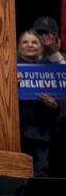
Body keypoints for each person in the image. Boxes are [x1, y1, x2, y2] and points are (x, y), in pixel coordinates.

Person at [17, 31, 62, 176]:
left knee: (41, 172)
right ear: (18, 46)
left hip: (42, 131)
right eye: (25, 42)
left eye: (34, 42)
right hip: (17, 130)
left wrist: (54, 104)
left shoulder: (51, 68)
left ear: (42, 47)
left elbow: (63, 82)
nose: (30, 45)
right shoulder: (9, 67)